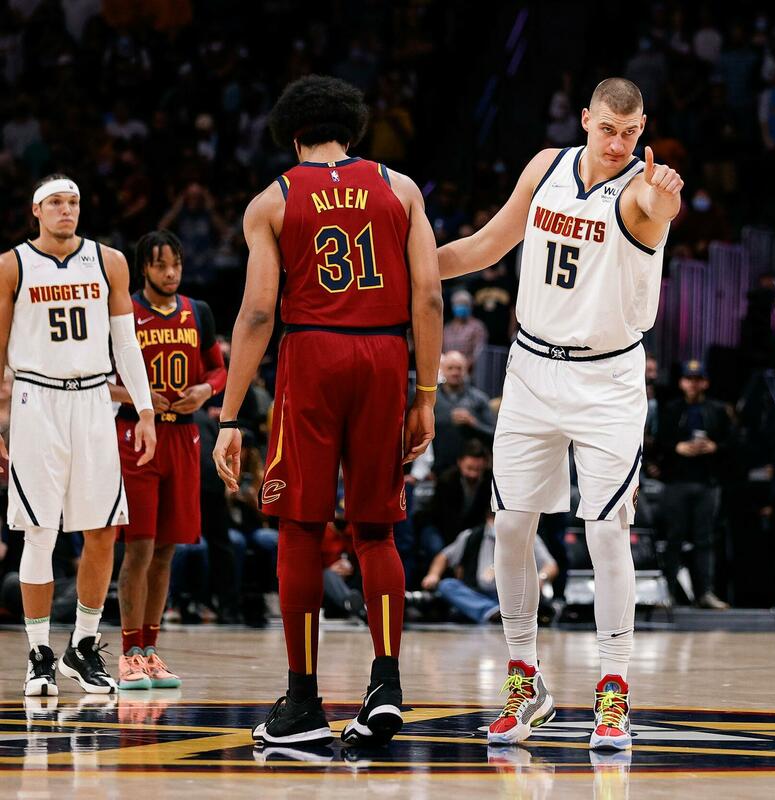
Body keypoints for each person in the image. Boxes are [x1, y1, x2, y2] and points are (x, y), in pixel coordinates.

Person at [438, 77, 681, 752]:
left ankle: (614, 691)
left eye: (630, 133)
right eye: (607, 129)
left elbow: (656, 209)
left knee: (606, 532)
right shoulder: (546, 167)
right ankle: (525, 682)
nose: (617, 144)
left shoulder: (640, 190)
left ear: (641, 131)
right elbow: (488, 244)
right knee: (511, 525)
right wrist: (417, 269)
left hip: (607, 378)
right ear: (584, 119)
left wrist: (665, 199)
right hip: (531, 369)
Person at [211, 76, 443, 748]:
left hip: (312, 356)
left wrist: (229, 418)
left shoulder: (273, 200)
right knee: (377, 529)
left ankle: (303, 703)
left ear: (293, 136)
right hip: (383, 356)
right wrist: (425, 394)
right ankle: (386, 685)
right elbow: (429, 298)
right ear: (354, 130)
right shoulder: (401, 188)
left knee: (300, 527)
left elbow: (258, 313)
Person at [0, 174, 157, 696]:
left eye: (73, 202)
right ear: (36, 210)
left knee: (103, 529)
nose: (66, 210)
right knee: (40, 531)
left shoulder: (109, 261)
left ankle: (82, 646)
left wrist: (146, 409)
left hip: (93, 400)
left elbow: (126, 343)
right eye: (56, 203)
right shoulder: (12, 265)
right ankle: (39, 654)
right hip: (35, 399)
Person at [110, 230, 227, 690]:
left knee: (166, 549)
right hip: (136, 434)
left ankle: (150, 649)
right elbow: (99, 378)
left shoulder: (198, 312)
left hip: (183, 436)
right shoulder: (124, 311)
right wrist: (137, 397)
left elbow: (218, 369)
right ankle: (128, 653)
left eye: (175, 263)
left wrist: (206, 390)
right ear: (144, 268)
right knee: (138, 547)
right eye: (161, 264)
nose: (171, 272)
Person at [658, 359, 732, 609]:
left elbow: (734, 442)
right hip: (676, 481)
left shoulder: (717, 410)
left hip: (707, 482)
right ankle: (666, 592)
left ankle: (705, 592)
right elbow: (656, 441)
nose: (693, 384)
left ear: (705, 382)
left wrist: (714, 447)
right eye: (689, 379)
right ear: (681, 382)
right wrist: (677, 447)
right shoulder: (670, 409)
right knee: (673, 538)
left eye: (697, 379)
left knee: (705, 539)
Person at [421, 512, 558, 624]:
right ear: (489, 518)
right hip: (476, 594)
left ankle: (498, 612)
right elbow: (443, 556)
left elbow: (551, 565)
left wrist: (541, 578)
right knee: (447, 585)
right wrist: (433, 575)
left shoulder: (526, 536)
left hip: (514, 596)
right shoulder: (470, 535)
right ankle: (493, 612)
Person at [432, 350, 495, 472]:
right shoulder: (432, 399)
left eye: (459, 368)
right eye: (450, 368)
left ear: (466, 370)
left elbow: (493, 434)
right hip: (437, 467)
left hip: (471, 469)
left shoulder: (479, 399)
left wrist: (473, 423)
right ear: (442, 369)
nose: (455, 372)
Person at [443, 288, 488, 366]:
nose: (461, 306)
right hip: (448, 368)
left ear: (471, 306)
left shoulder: (477, 327)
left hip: (469, 369)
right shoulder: (447, 328)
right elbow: (442, 350)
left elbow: (479, 352)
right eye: (458, 304)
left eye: (465, 304)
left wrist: (462, 365)